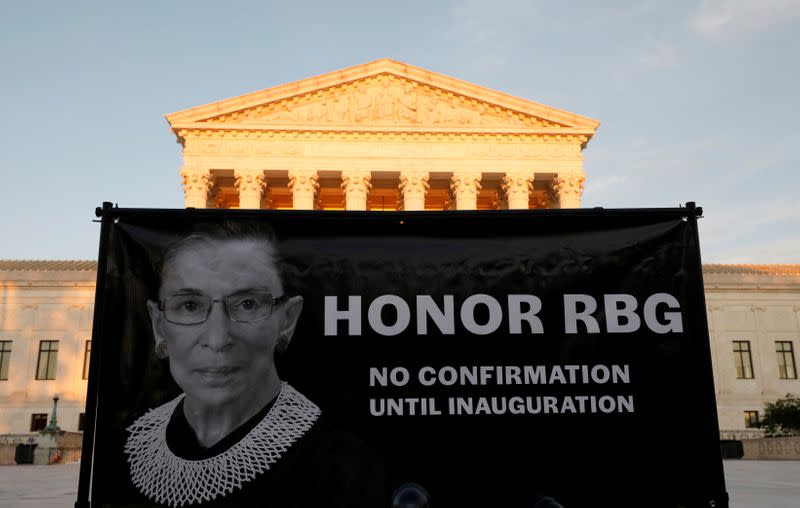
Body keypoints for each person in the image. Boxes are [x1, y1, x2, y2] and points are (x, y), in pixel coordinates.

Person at [123, 222, 385, 507]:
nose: (218, 338)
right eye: (189, 305)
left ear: (287, 320)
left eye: (247, 304)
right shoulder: (123, 454)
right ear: (159, 326)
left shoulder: (350, 470)